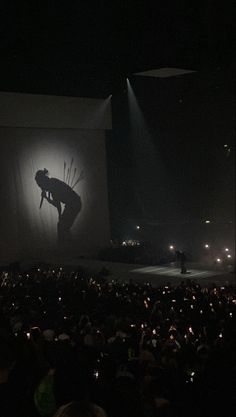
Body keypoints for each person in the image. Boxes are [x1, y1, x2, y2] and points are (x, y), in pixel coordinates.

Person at [35, 169, 81, 243]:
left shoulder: (52, 185)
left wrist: (60, 216)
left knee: (62, 227)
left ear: (43, 182)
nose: (41, 188)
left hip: (74, 203)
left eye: (41, 185)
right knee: (63, 227)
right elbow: (57, 204)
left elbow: (58, 205)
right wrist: (47, 198)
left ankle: (65, 246)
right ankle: (69, 244)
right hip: (73, 204)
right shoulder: (52, 183)